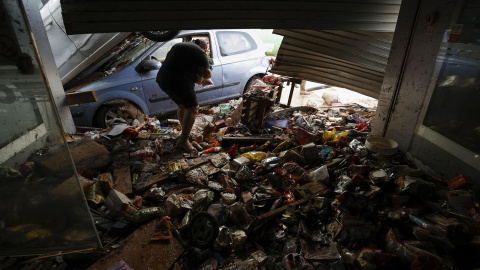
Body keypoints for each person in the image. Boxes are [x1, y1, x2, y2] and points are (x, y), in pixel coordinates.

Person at [156, 39, 212, 152]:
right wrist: (207, 75)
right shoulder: (200, 52)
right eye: (206, 50)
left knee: (182, 106)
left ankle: (184, 133)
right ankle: (183, 141)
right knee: (193, 108)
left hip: (162, 79)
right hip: (178, 81)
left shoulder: (180, 45)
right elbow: (206, 73)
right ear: (204, 48)